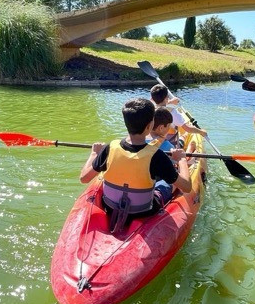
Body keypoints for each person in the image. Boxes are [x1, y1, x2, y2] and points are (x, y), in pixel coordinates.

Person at [79, 98, 192, 232]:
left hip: (110, 206)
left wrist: (94, 154)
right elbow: (187, 187)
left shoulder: (109, 148)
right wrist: (181, 160)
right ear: (150, 126)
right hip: (145, 210)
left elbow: (84, 178)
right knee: (166, 183)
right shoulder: (157, 156)